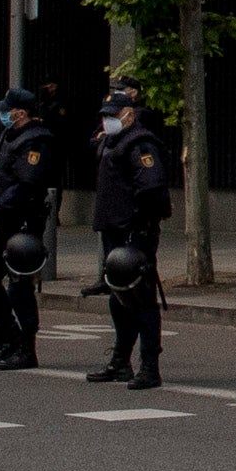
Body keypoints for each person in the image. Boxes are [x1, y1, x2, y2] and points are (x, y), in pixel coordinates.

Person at [83, 75, 174, 390]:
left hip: (135, 233)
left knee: (143, 299)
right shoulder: (111, 141)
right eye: (105, 116)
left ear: (129, 114)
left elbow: (151, 185)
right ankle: (121, 361)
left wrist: (139, 222)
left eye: (113, 115)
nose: (107, 121)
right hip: (113, 229)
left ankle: (150, 367)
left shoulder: (140, 142)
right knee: (118, 298)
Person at [0, 86, 56, 372]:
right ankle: (9, 337)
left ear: (20, 113)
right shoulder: (11, 136)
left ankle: (26, 347)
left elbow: (27, 184)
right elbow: (0, 176)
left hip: (24, 221)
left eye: (7, 111)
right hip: (5, 219)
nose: (3, 115)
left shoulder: (36, 141)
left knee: (20, 285)